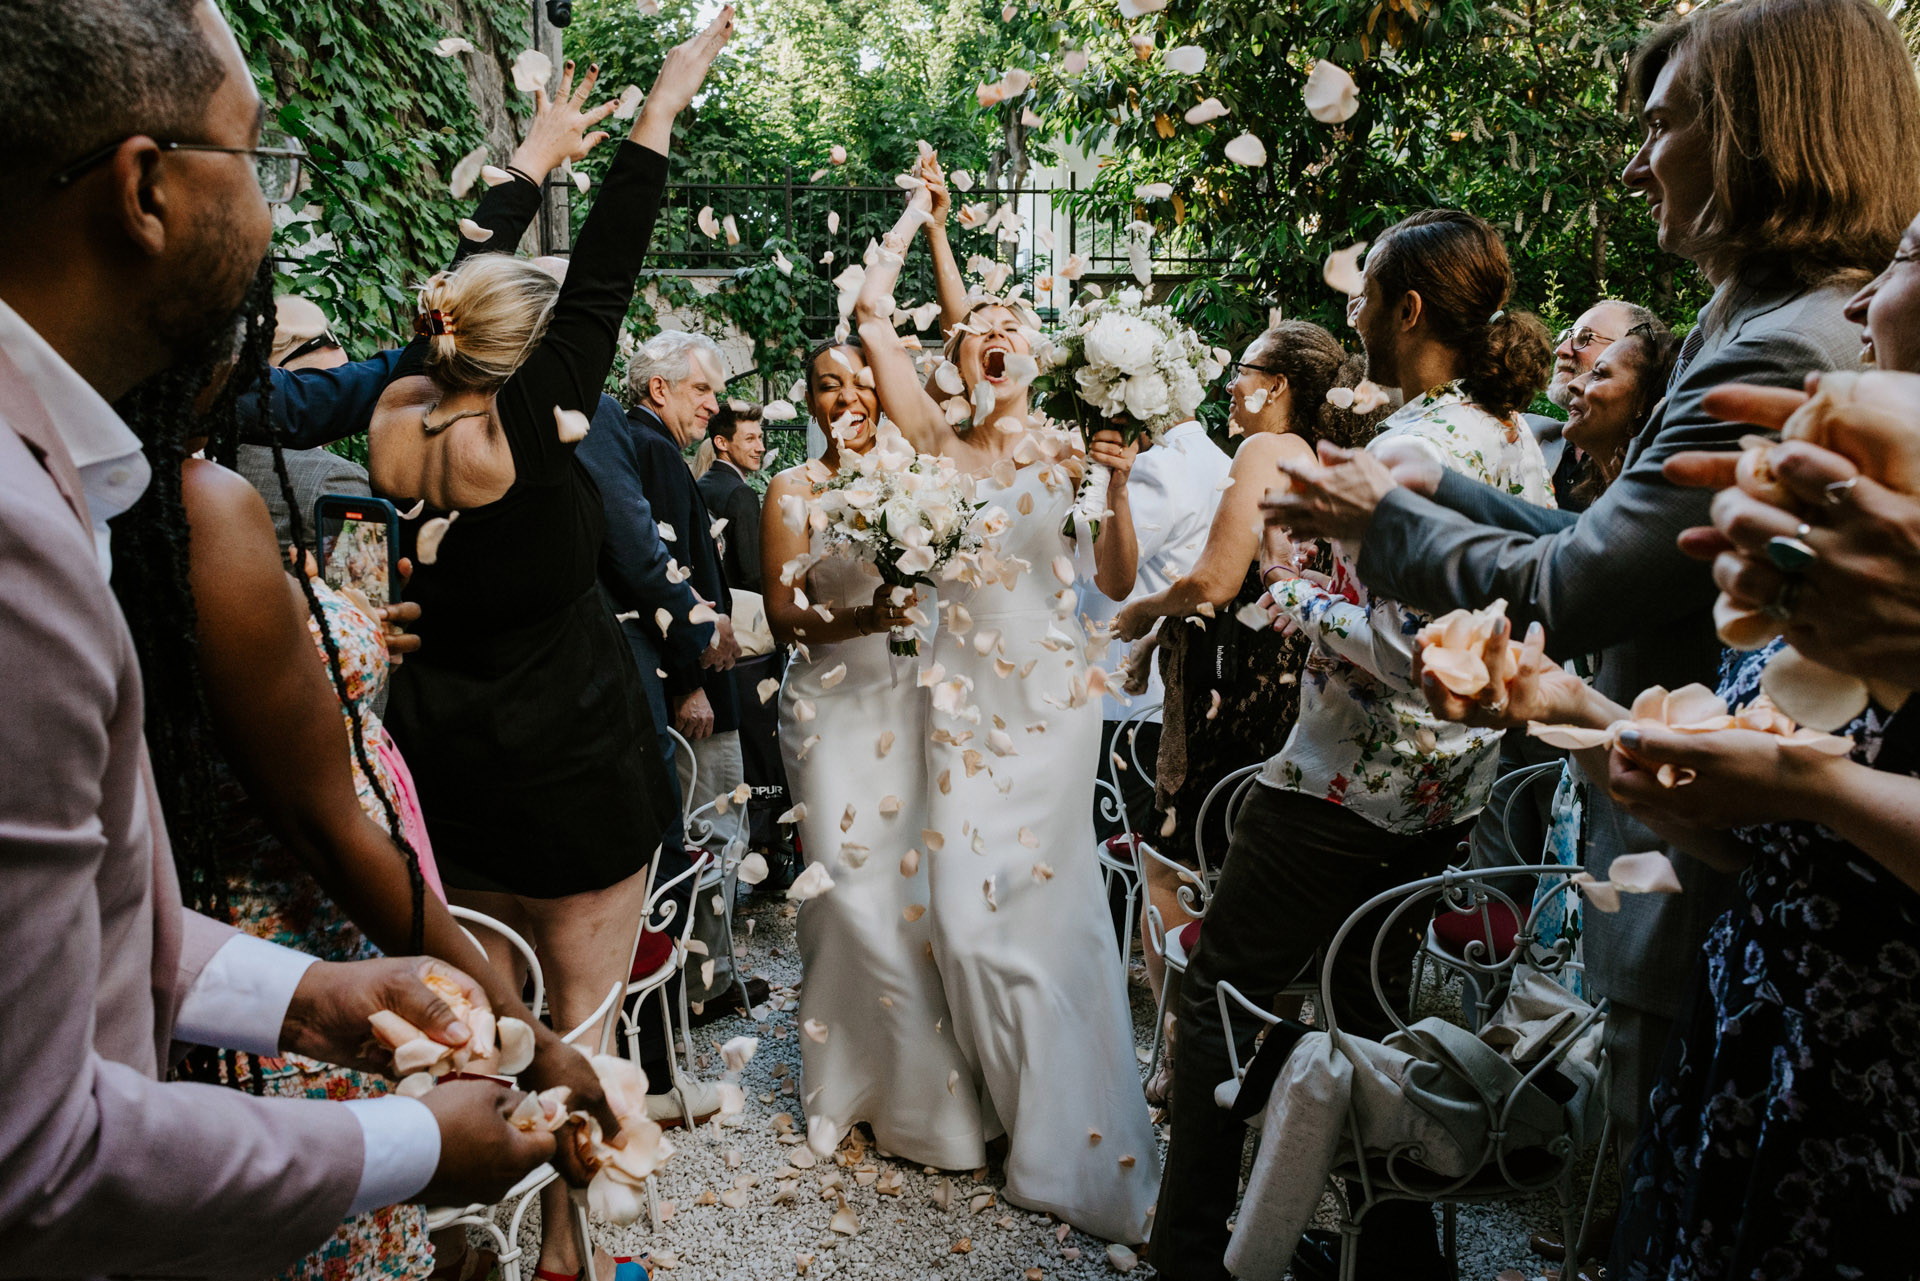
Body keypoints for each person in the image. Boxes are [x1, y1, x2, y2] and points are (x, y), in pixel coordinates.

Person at [1262, 0, 1920, 1217]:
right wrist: (1432, 488)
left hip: (1761, 883)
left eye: (1663, 125)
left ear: (1758, 136)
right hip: (1715, 836)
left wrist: (1374, 520)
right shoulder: (1751, 320)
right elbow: (1595, 538)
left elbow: (1579, 584)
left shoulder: (1788, 348)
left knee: (1656, 1185)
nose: (1634, 160)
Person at [0, 0, 552, 1271]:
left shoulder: (73, 471)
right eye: (255, 161)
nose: (268, 218)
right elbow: (35, 1153)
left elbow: (73, 914)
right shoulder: (21, 532)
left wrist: (305, 994)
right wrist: (413, 1146)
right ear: (146, 190)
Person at [366, 25, 734, 1280]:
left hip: (443, 786)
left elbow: (462, 286)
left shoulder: (395, 415)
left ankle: (468, 1243)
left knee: (469, 1037)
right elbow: (611, 266)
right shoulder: (533, 414)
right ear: (530, 351)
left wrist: (526, 159)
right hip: (577, 778)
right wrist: (662, 105)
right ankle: (568, 1241)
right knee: (582, 1028)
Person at [1154, 209, 1559, 1281]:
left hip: (1341, 793)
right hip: (1449, 796)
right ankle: (1389, 1250)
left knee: (1220, 1000)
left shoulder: (1417, 448)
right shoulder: (1519, 439)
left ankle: (1191, 1253)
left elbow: (1398, 645)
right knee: (1373, 1021)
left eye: (1367, 294)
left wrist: (1292, 591)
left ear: (1410, 309)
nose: (1357, 313)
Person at [850, 157, 1161, 1242]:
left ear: (1034, 351)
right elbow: (873, 316)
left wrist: (1118, 488)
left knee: (1051, 907)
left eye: (1010, 321)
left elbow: (1115, 583)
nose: (993, 333)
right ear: (960, 354)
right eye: (975, 326)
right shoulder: (934, 444)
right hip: (960, 695)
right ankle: (1001, 1099)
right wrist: (917, 216)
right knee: (967, 917)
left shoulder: (1074, 448)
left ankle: (1063, 1136)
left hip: (1051, 699)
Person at [1111, 320, 1391, 1104]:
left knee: (1172, 860)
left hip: (1228, 694)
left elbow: (1214, 580)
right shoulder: (1324, 459)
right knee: (1253, 878)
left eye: (1244, 371)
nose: (1230, 385)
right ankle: (1253, 1058)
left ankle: (1179, 1055)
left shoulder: (1264, 451)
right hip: (1287, 688)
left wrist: (1145, 610)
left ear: (1279, 385)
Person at [760, 336, 981, 1168]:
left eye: (861, 380)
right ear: (810, 397)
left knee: (910, 896)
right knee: (843, 893)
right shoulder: (791, 488)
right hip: (827, 706)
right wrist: (866, 617)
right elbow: (785, 619)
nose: (846, 396)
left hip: (909, 703)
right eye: (826, 383)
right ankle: (839, 1079)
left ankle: (922, 1088)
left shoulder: (923, 483)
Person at [619, 331, 746, 887]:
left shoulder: (647, 446)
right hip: (694, 681)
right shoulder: (653, 450)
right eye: (701, 389)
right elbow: (666, 573)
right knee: (712, 832)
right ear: (658, 388)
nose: (713, 405)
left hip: (688, 671)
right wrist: (689, 684)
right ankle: (710, 975)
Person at [1082, 407, 1231, 847]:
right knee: (1139, 834)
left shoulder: (1156, 468)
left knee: (1111, 834)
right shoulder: (1221, 462)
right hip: (1169, 688)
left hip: (1122, 693)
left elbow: (1102, 567)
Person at [236, 295, 370, 548]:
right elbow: (355, 583)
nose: (344, 390)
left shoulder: (206, 460)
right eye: (329, 383)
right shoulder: (335, 480)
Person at [1532, 300, 1663, 509]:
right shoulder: (1524, 433)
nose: (1562, 350)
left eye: (1584, 338)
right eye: (1567, 337)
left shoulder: (1651, 468)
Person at [698, 398, 766, 593]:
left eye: (760, 437)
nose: (760, 447)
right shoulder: (741, 494)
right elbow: (753, 575)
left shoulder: (699, 485)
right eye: (750, 439)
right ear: (721, 443)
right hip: (739, 609)